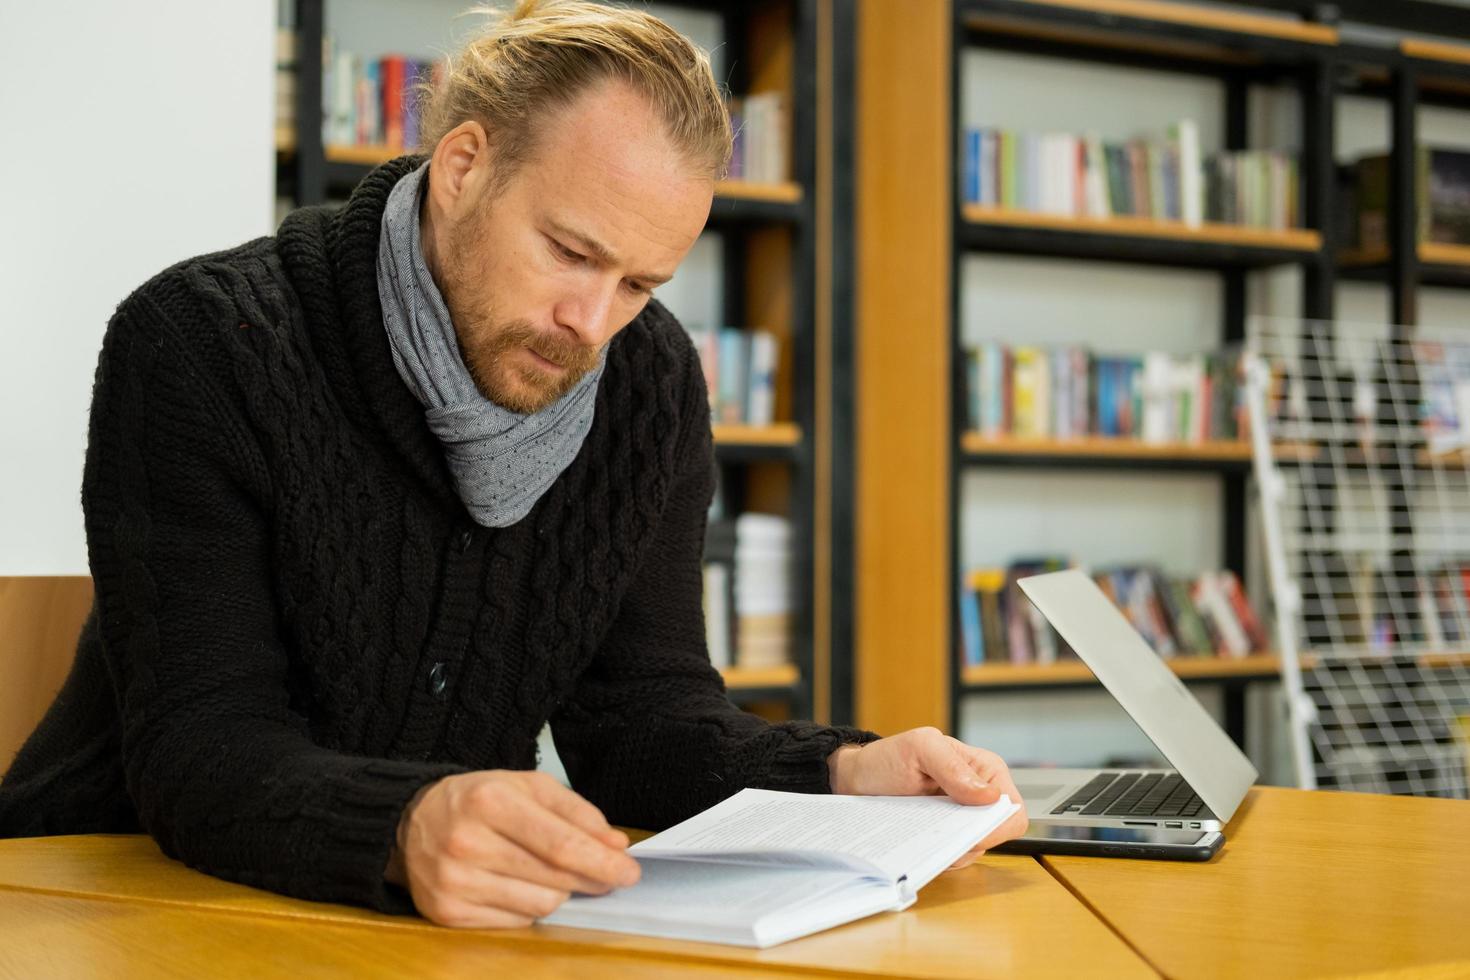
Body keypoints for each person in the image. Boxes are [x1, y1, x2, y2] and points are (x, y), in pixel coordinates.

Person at [0, 0, 1026, 928]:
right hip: (116, 895)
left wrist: (840, 770)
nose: (591, 323)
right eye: (570, 252)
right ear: (462, 166)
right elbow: (199, 749)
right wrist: (404, 823)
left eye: (639, 281)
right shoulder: (204, 343)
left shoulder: (648, 380)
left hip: (417, 918)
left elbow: (642, 723)